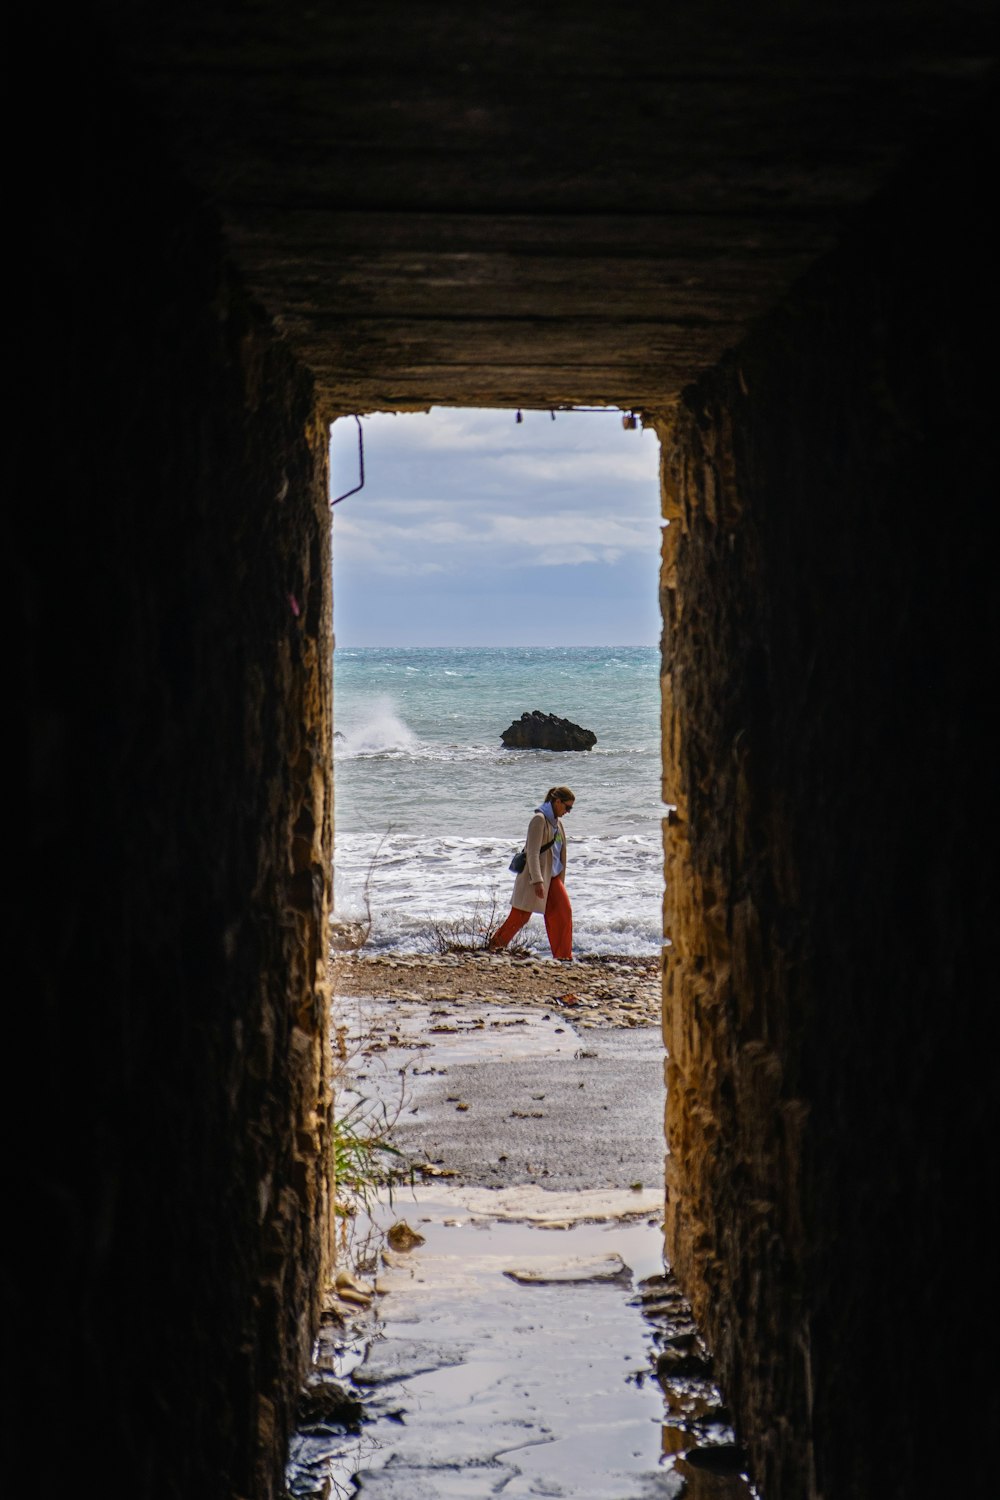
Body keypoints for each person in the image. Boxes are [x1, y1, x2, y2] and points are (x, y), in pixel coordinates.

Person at [489, 786, 575, 960]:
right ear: (557, 801)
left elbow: (560, 854)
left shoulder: (558, 824)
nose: (568, 812)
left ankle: (563, 957)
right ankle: (495, 946)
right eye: (567, 807)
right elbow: (532, 853)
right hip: (535, 878)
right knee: (519, 917)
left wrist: (560, 879)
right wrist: (537, 881)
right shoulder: (539, 820)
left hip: (553, 878)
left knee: (563, 915)